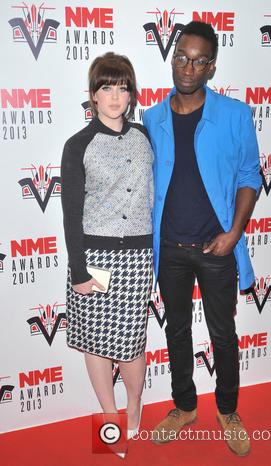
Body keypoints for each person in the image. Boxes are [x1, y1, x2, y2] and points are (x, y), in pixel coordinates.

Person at [143, 21, 261, 456]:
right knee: (176, 332)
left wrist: (233, 233)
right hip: (169, 248)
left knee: (223, 334)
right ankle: (184, 406)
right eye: (181, 57)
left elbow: (250, 175)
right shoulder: (151, 117)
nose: (187, 68)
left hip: (217, 248)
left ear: (211, 66)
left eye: (198, 61)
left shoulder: (235, 114)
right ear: (172, 58)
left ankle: (228, 411)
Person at [61, 52, 154, 442]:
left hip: (137, 257)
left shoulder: (146, 137)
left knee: (131, 342)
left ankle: (134, 404)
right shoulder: (77, 144)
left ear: (131, 94)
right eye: (106, 87)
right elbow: (71, 213)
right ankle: (109, 418)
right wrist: (79, 271)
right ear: (93, 95)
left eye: (123, 87)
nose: (115, 95)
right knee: (95, 343)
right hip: (94, 258)